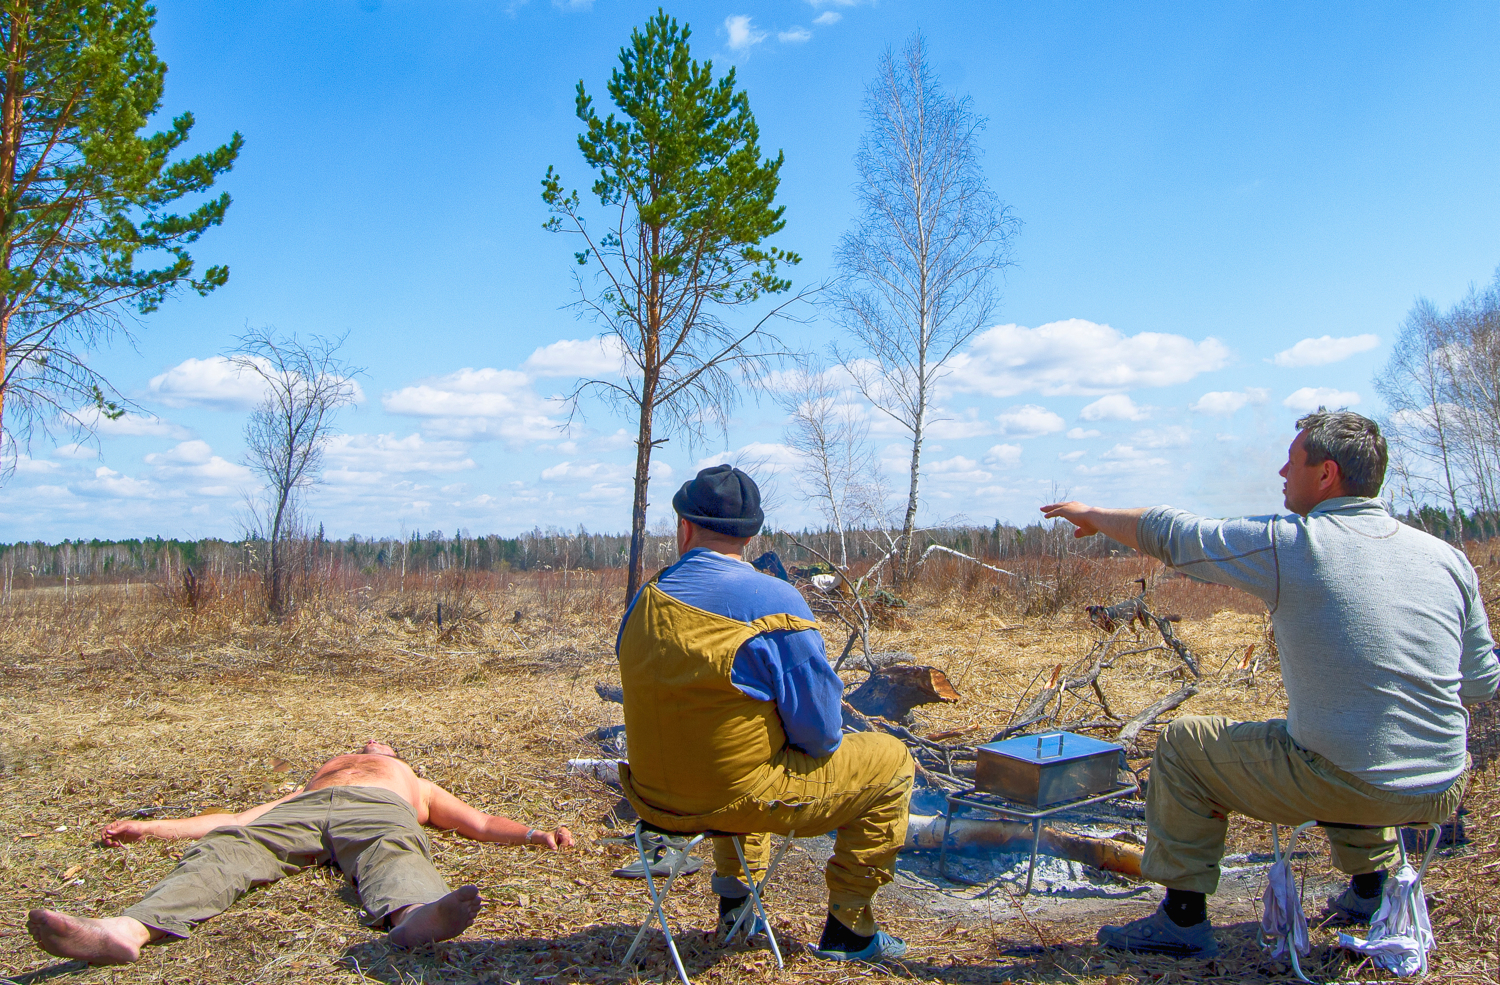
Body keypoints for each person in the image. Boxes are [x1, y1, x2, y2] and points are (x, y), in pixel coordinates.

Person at [1042, 410, 1498, 960]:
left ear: (1326, 474)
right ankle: (1368, 890)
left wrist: (1093, 513)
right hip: (1440, 787)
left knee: (1185, 746)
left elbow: (1176, 534)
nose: (1282, 470)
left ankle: (1181, 920)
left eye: (1293, 458)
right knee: (1339, 735)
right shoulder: (1448, 557)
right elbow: (1480, 683)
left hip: (1349, 780)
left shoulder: (1293, 544)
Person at [615, 465, 915, 963]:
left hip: (653, 799)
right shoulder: (774, 601)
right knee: (893, 760)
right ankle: (850, 928)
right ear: (752, 536)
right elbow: (821, 735)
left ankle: (736, 906)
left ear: (683, 528)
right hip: (735, 799)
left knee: (741, 745)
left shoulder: (646, 600)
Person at [27, 741, 574, 965]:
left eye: (383, 744)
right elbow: (237, 819)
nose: (372, 743)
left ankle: (415, 916)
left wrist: (532, 835)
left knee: (395, 849)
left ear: (395, 754)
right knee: (232, 848)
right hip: (304, 810)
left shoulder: (409, 778)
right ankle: (127, 929)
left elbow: (478, 822)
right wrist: (155, 829)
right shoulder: (321, 773)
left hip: (378, 810)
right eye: (366, 742)